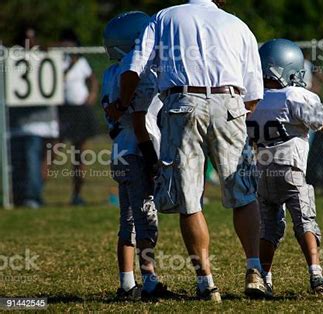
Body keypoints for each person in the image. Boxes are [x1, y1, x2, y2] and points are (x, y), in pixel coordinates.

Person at [112, 0, 268, 302]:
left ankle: (206, 283)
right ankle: (254, 270)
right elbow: (254, 94)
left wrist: (122, 101)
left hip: (183, 104)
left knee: (190, 199)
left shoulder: (165, 16)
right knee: (244, 194)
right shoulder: (238, 24)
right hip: (231, 101)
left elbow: (134, 67)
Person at [247, 39, 323, 295]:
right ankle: (316, 276)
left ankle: (264, 277)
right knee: (305, 221)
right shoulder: (296, 95)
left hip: (262, 172)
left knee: (269, 228)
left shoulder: (251, 99)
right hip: (290, 170)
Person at [102, 11, 167, 301]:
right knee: (145, 219)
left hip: (119, 150)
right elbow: (141, 122)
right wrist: (152, 159)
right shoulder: (141, 74)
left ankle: (127, 283)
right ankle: (150, 281)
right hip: (138, 150)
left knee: (127, 220)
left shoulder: (110, 73)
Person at [9, 25, 59, 209]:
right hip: (18, 123)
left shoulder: (45, 59)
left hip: (41, 122)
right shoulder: (10, 60)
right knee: (20, 163)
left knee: (35, 160)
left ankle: (32, 196)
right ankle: (21, 196)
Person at [58, 29, 99, 206]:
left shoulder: (82, 62)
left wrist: (91, 96)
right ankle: (35, 192)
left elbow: (93, 80)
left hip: (81, 110)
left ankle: (77, 194)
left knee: (80, 155)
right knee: (54, 150)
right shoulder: (58, 62)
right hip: (63, 110)